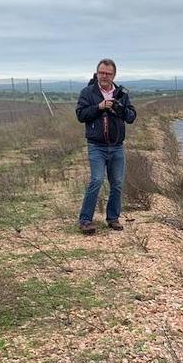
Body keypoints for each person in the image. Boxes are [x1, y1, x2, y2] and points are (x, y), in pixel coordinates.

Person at [75, 58, 136, 234]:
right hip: (97, 146)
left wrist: (119, 108)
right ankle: (85, 220)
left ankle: (113, 218)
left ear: (114, 75)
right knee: (96, 180)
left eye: (108, 73)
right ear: (97, 72)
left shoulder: (121, 94)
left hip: (117, 146)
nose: (104, 76)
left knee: (117, 183)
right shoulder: (88, 92)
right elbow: (81, 115)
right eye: (102, 72)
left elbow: (131, 117)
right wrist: (99, 107)